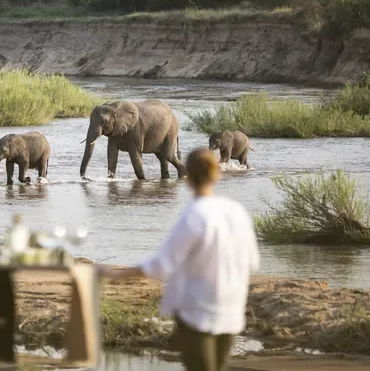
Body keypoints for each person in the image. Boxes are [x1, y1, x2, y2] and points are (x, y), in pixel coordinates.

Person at [97, 148, 260, 371]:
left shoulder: (194, 215)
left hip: (196, 313)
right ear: (217, 174)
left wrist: (114, 274)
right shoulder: (237, 212)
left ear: (188, 178)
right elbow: (252, 261)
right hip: (231, 312)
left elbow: (161, 265)